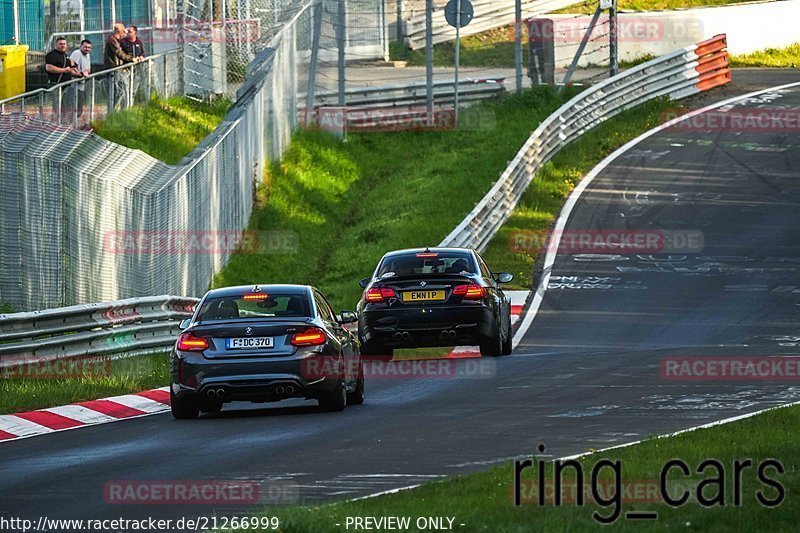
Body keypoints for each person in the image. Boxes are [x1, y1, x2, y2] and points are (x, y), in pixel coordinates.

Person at [103, 23, 141, 109]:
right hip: (113, 69)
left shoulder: (117, 40)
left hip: (118, 69)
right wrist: (131, 59)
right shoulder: (112, 40)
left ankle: (120, 110)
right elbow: (119, 53)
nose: (125, 34)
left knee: (121, 91)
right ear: (119, 31)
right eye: (124, 32)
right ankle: (113, 112)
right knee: (117, 92)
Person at [45, 37, 80, 123]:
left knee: (66, 107)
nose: (63, 46)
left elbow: (69, 70)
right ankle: (55, 124)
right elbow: (49, 68)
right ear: (56, 45)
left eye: (64, 44)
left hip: (67, 86)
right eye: (60, 44)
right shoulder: (51, 55)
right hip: (56, 86)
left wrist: (79, 74)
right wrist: (64, 70)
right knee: (56, 108)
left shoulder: (65, 56)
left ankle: (64, 123)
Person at [69, 40, 92, 119]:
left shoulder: (88, 55)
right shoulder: (77, 53)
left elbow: (88, 69)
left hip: (81, 85)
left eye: (89, 47)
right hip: (73, 85)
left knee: (79, 109)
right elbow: (71, 69)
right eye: (85, 47)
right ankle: (66, 125)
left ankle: (71, 124)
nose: (87, 49)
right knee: (72, 108)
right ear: (81, 46)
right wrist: (81, 73)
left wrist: (85, 72)